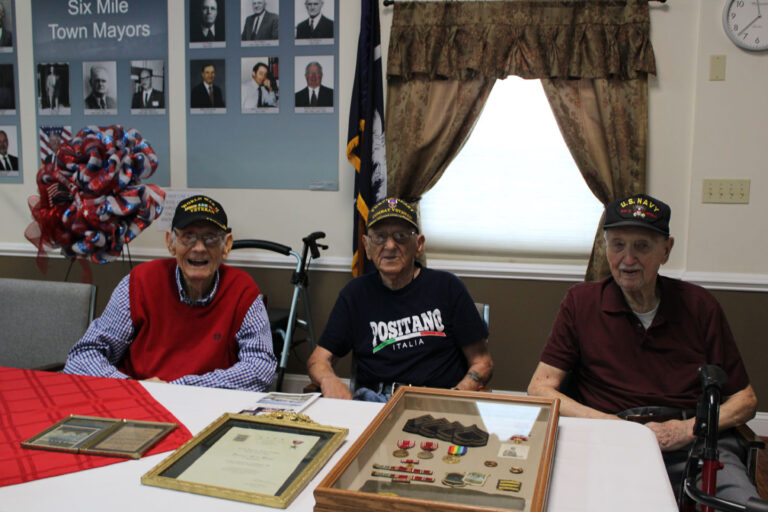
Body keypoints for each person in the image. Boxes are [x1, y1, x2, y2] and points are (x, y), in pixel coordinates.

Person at [527, 193, 759, 502]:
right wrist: (615, 426)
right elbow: (540, 388)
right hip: (610, 440)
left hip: (694, 443)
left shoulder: (700, 305)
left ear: (667, 250)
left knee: (741, 505)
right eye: (618, 245)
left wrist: (687, 430)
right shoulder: (580, 303)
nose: (628, 260)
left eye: (642, 247)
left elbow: (745, 400)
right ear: (603, 247)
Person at [64, 195, 277, 391]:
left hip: (207, 406)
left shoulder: (242, 289)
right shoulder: (140, 282)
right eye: (188, 237)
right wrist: (134, 387)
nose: (200, 248)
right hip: (139, 400)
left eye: (210, 238)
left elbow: (260, 366)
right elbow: (84, 355)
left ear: (226, 245)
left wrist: (179, 388)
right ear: (170, 243)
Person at [307, 197, 494, 402]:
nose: (389, 246)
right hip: (375, 401)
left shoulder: (448, 287)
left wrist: (455, 397)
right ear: (366, 245)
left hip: (438, 399)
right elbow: (318, 359)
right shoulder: (355, 294)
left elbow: (482, 362)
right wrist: (328, 380)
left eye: (401, 236)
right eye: (379, 237)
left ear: (419, 244)